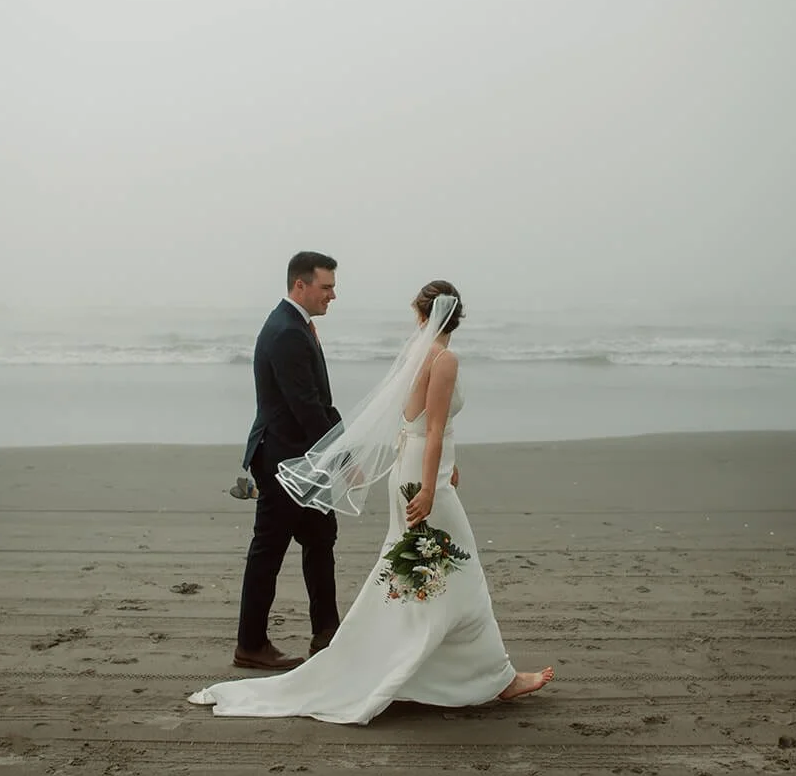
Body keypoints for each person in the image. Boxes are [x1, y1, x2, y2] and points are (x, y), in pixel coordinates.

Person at [191, 280, 553, 723]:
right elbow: (433, 429)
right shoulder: (445, 359)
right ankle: (493, 676)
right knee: (457, 569)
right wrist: (429, 485)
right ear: (456, 317)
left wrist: (442, 466)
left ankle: (428, 665)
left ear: (421, 314)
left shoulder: (416, 354)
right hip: (424, 478)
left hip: (413, 468)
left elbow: (413, 422)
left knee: (419, 572)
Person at [231, 251, 343, 670]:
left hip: (298, 457)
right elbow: (307, 407)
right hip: (283, 460)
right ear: (301, 284)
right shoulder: (287, 332)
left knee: (320, 539)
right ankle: (251, 644)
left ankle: (327, 634)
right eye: (326, 287)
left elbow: (318, 403)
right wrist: (341, 455)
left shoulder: (295, 325)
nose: (332, 295)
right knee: (270, 549)